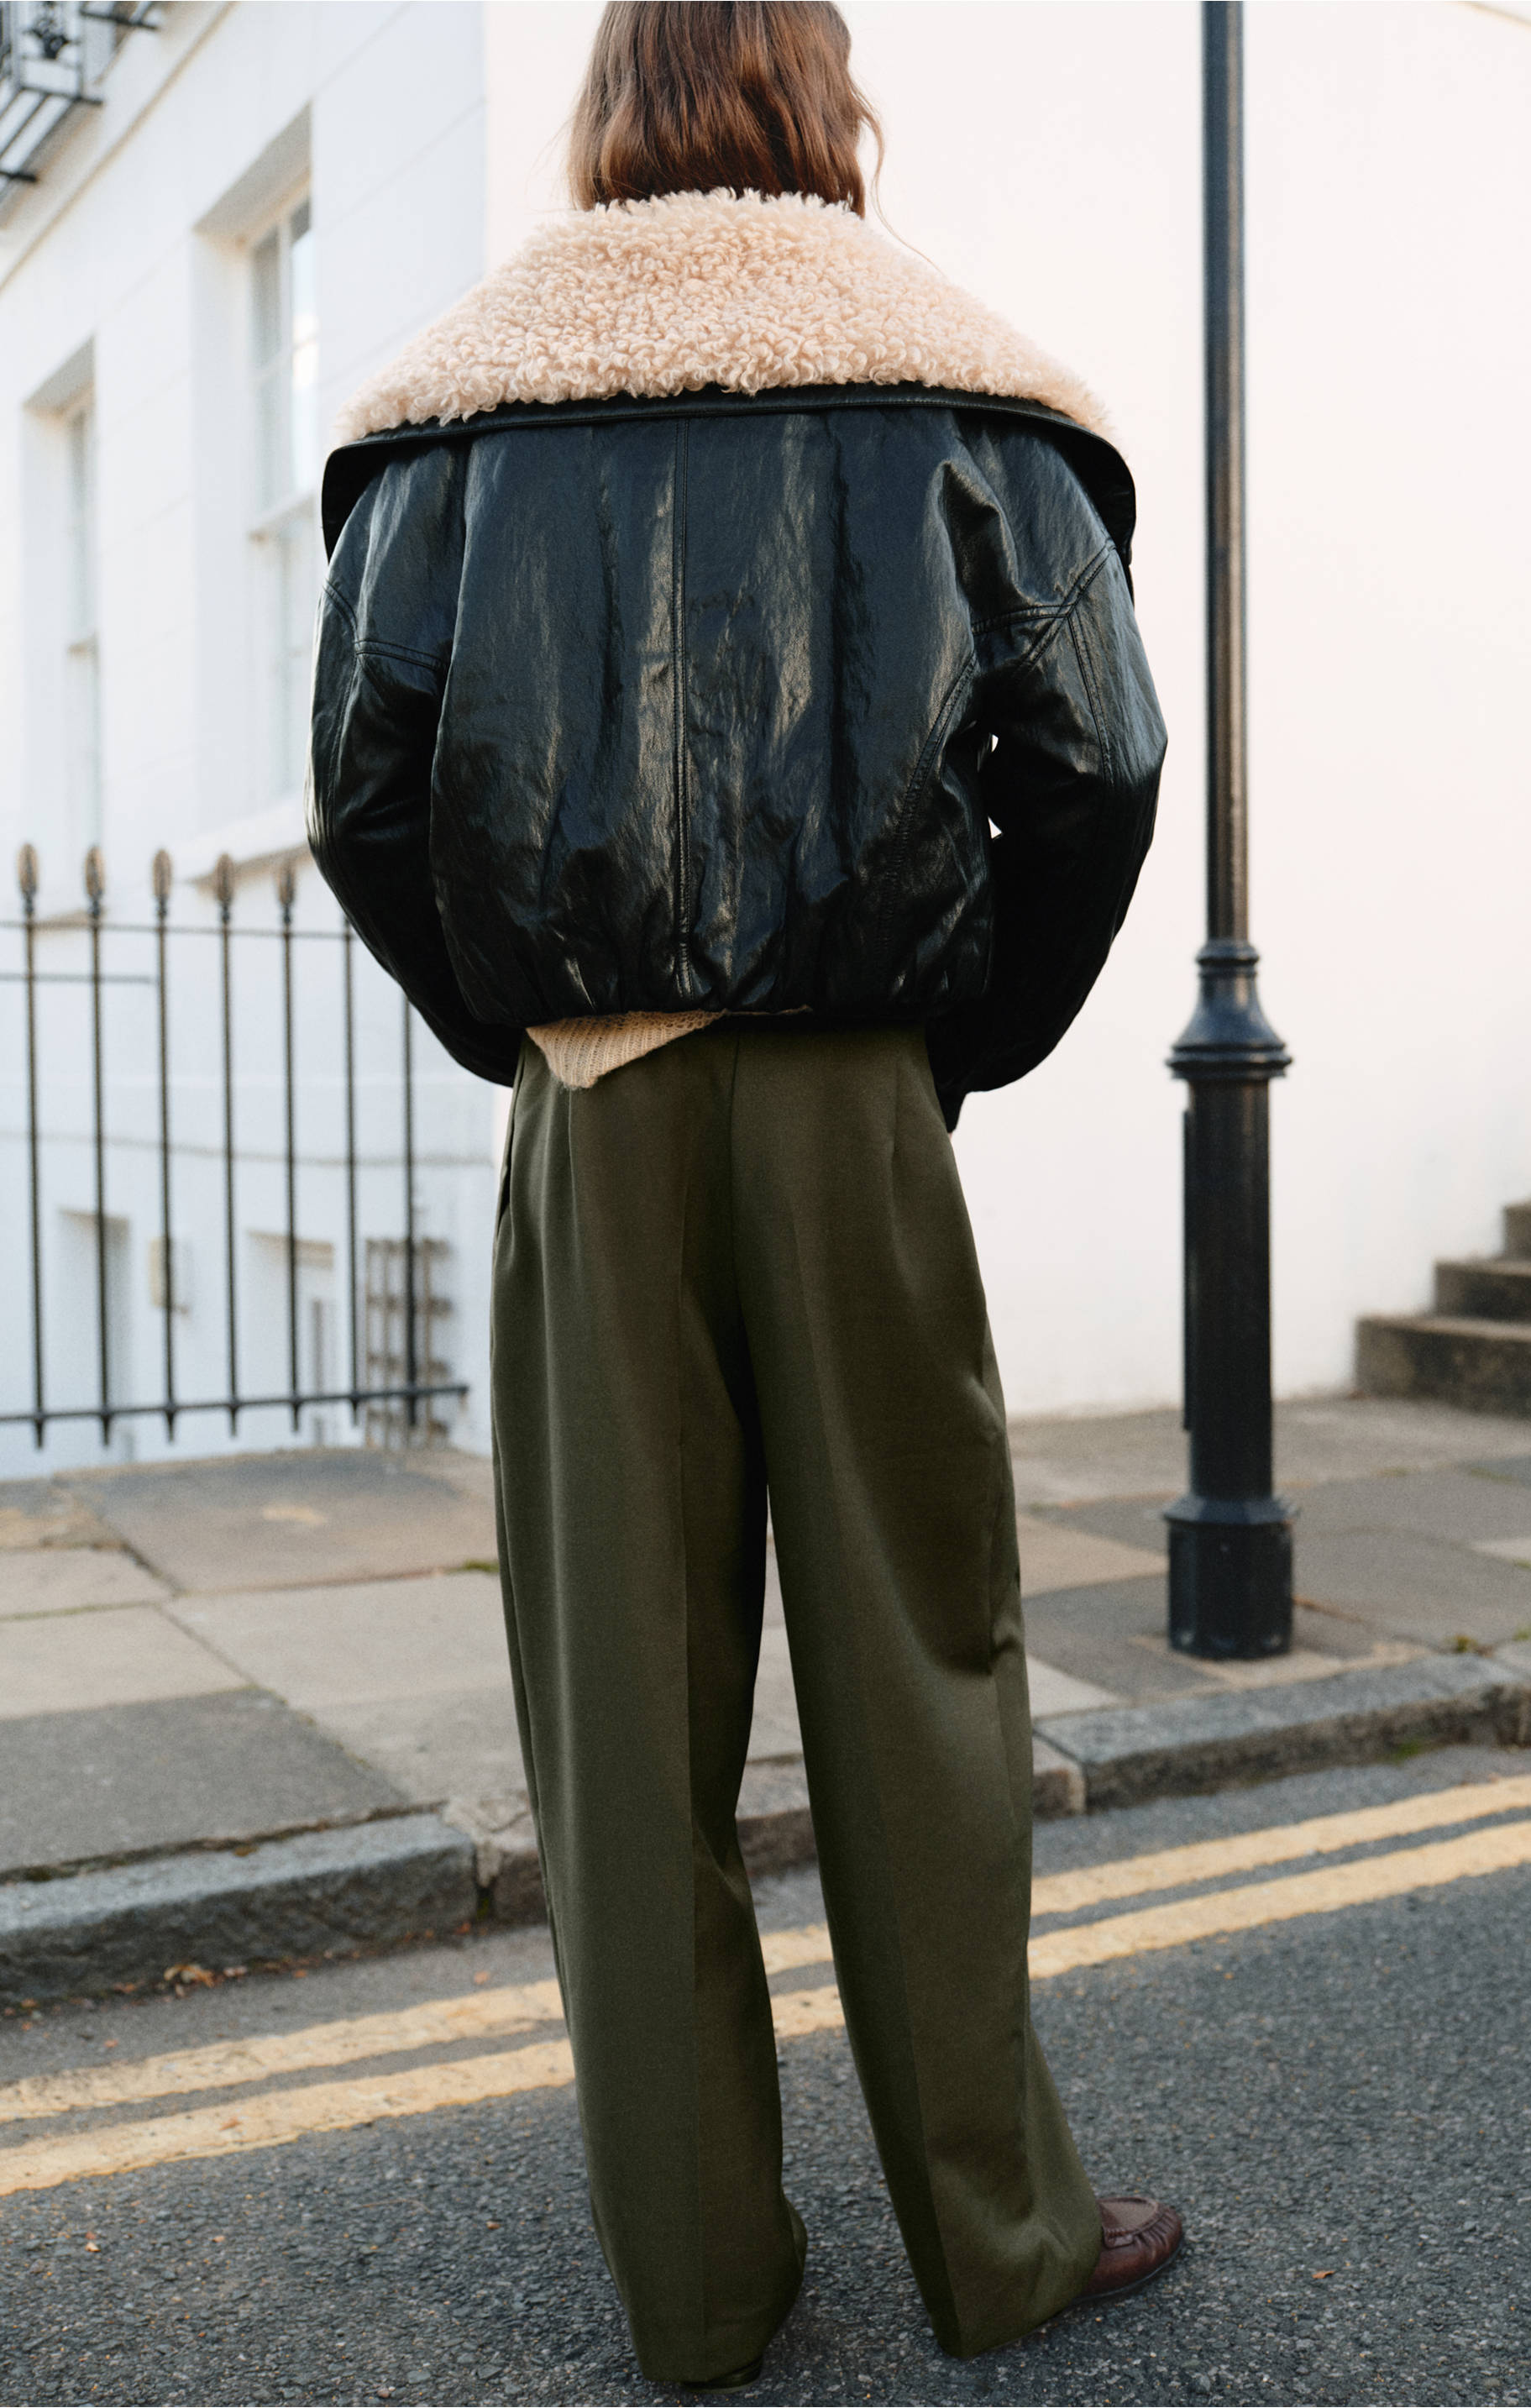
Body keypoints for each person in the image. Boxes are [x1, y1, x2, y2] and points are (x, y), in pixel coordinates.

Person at [309, 0, 1175, 2387]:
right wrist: (950, 1030)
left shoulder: (459, 408)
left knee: (621, 1714)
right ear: (827, 105)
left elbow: (364, 786)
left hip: (594, 1106)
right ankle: (999, 2240)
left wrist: (529, 1019)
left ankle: (698, 2288)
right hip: (856, 1107)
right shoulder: (945, 383)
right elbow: (1096, 754)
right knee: (921, 1664)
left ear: (607, 120)